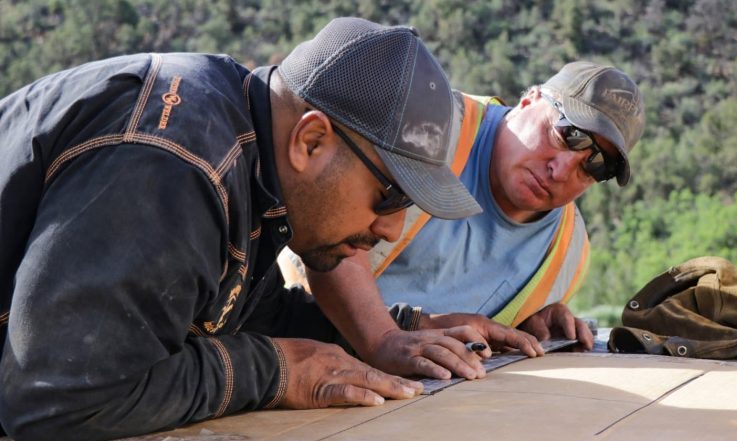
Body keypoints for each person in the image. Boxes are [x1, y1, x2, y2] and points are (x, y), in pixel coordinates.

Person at [0, 17, 534, 440]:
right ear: (311, 141)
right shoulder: (173, 162)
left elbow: (224, 308)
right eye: (390, 194)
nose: (392, 229)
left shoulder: (248, 149)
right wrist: (277, 370)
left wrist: (395, 332)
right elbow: (59, 399)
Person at [285, 61, 645, 353]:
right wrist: (389, 340)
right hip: (283, 343)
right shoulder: (428, 127)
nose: (560, 169)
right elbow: (325, 242)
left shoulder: (567, 253)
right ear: (530, 99)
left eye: (596, 165)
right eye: (568, 134)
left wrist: (527, 325)